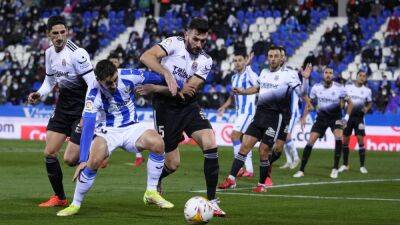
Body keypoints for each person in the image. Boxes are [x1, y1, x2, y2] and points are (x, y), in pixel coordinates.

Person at [56, 60, 174, 216]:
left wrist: (169, 79)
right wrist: (83, 159)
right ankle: (75, 204)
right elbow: (88, 124)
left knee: (158, 143)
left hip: (131, 126)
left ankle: (151, 192)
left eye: (115, 80)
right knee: (94, 161)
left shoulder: (129, 75)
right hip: (107, 130)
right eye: (109, 83)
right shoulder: (93, 93)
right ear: (99, 81)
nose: (113, 85)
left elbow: (160, 78)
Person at [139, 17, 225, 216]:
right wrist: (167, 75)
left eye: (203, 41)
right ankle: (155, 182)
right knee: (172, 164)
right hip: (165, 108)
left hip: (187, 106)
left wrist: (158, 87)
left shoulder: (205, 60)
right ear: (187, 34)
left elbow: (187, 91)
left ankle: (212, 201)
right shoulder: (173, 43)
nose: (199, 44)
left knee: (210, 141)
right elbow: (146, 57)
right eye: (195, 39)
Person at [218, 46, 309, 192]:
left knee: (263, 151)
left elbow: (302, 93)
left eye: (275, 56)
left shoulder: (289, 74)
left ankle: (261, 185)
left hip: (275, 118)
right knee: (244, 146)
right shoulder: (264, 72)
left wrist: (305, 79)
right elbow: (256, 88)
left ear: (281, 58)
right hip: (259, 116)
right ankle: (231, 179)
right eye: (270, 56)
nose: (272, 59)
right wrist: (242, 91)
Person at [27, 15, 96, 207]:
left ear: (67, 32)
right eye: (55, 33)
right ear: (48, 34)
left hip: (81, 106)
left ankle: (97, 151)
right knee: (49, 152)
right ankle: (60, 197)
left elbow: (92, 84)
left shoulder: (77, 53)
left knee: (70, 159)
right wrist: (39, 94)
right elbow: (50, 81)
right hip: (63, 106)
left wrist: (87, 114)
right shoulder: (49, 53)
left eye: (62, 32)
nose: (59, 37)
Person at [293, 67, 353, 179]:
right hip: (321, 118)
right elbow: (309, 103)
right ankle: (301, 170)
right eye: (326, 72)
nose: (328, 75)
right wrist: (304, 117)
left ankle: (335, 168)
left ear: (333, 75)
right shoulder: (316, 88)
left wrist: (346, 118)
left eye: (331, 73)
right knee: (310, 141)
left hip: (336, 117)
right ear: (323, 74)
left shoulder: (340, 88)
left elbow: (350, 103)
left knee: (338, 137)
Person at [217, 51, 257, 178]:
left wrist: (249, 66)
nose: (237, 62)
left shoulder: (249, 75)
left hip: (248, 112)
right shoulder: (234, 77)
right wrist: (223, 107)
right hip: (240, 113)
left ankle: (238, 167)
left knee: (234, 136)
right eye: (235, 60)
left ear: (245, 61)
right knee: (244, 141)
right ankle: (249, 169)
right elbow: (232, 96)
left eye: (240, 60)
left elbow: (257, 84)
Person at [108, 53, 144, 167]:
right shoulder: (105, 78)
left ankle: (139, 157)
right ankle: (104, 156)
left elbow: (137, 86)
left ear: (119, 63)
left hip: (128, 112)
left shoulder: (127, 75)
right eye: (111, 62)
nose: (114, 64)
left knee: (134, 135)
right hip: (112, 112)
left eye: (115, 62)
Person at [340, 71, 372, 174]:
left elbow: (370, 102)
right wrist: (342, 105)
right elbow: (342, 99)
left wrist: (367, 108)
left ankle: (362, 166)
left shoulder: (367, 91)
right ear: (357, 77)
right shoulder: (348, 88)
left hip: (359, 118)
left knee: (360, 140)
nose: (362, 78)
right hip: (348, 117)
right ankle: (345, 165)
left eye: (364, 76)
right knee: (345, 140)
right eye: (360, 76)